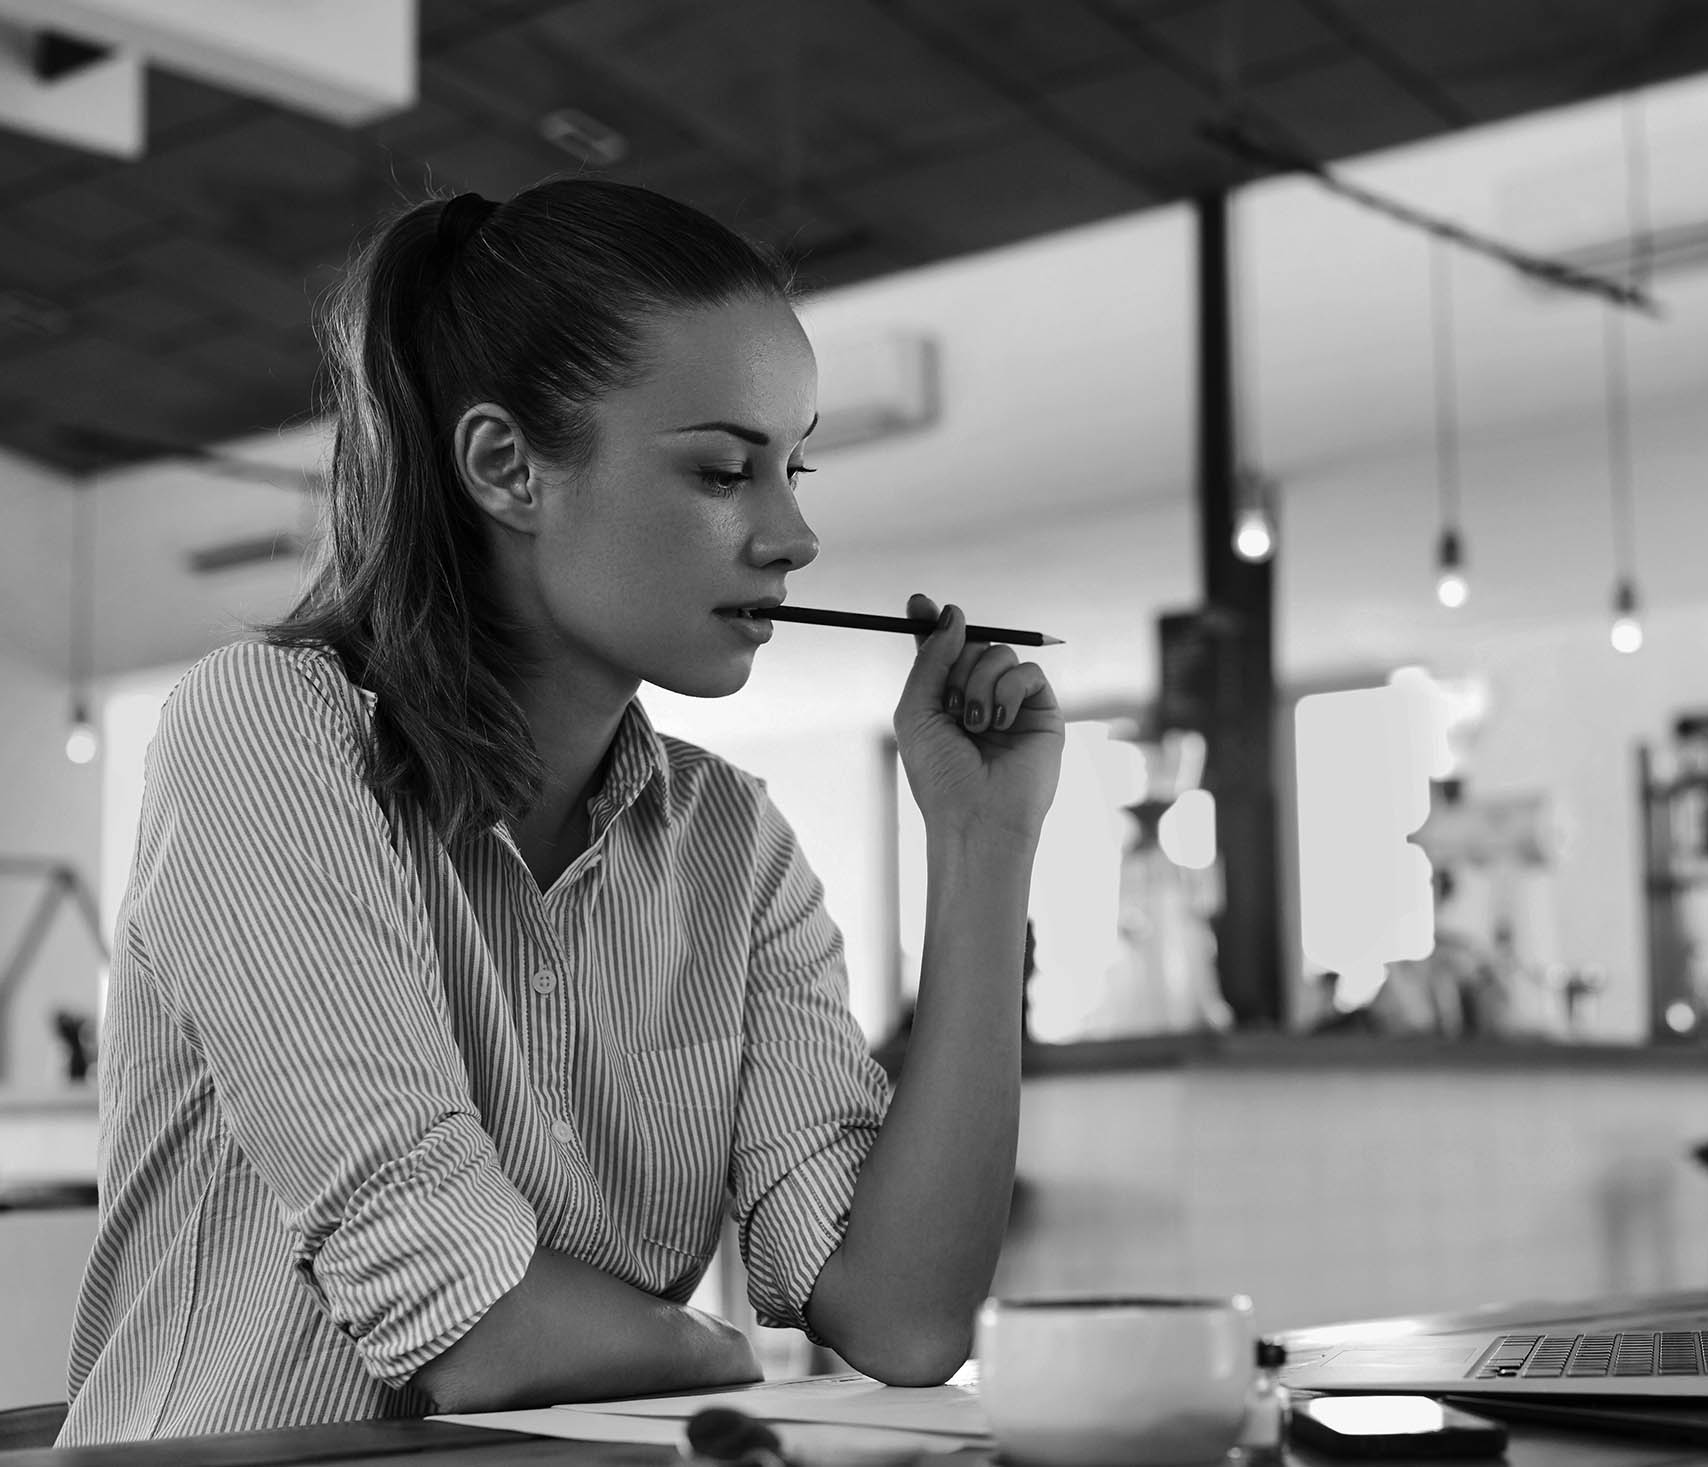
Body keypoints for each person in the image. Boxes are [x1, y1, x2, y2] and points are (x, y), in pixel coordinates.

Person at [57, 179, 1063, 1444]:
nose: (794, 534)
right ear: (506, 468)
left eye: (791, 468)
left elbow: (905, 1321)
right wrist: (717, 1353)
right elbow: (477, 1332)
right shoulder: (265, 731)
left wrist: (983, 844)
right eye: (719, 471)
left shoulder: (736, 850)